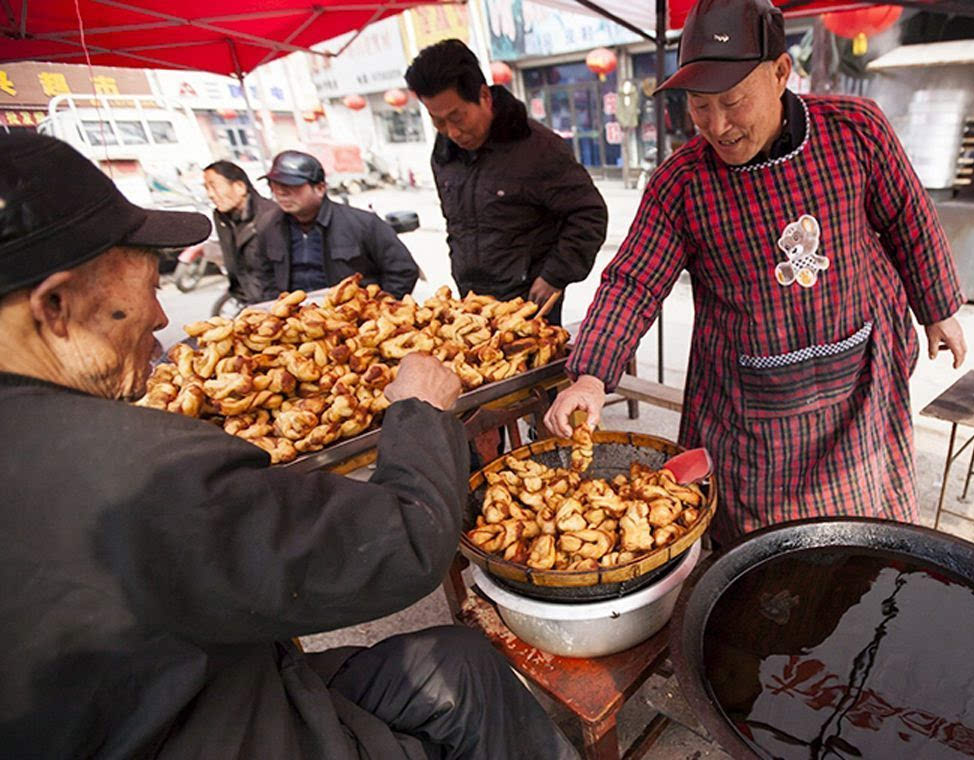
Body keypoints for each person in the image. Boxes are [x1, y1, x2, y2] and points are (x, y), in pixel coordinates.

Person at [0, 132, 577, 759]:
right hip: (237, 734)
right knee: (460, 691)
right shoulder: (136, 472)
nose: (163, 319)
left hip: (200, 692)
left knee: (459, 661)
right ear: (55, 306)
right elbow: (402, 547)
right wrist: (421, 413)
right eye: (146, 286)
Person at [545, 0, 967, 546]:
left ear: (780, 72)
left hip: (860, 381)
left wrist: (938, 309)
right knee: (759, 555)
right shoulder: (683, 183)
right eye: (699, 106)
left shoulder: (856, 130)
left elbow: (908, 215)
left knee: (863, 540)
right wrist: (591, 375)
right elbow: (634, 281)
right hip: (751, 405)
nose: (718, 126)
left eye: (733, 101)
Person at [405, 40, 607, 325]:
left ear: (484, 96)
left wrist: (555, 276)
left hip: (527, 304)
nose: (451, 132)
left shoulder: (538, 148)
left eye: (457, 117)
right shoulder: (444, 154)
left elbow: (589, 214)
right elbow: (457, 225)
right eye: (438, 122)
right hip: (470, 303)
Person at [255, 150, 420, 299]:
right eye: (274, 185)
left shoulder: (363, 224)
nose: (281, 193)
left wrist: (379, 309)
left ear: (320, 188)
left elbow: (403, 270)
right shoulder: (269, 226)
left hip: (351, 321)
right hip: (295, 323)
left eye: (291, 186)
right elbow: (264, 276)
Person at [202, 160, 281, 303]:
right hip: (248, 301)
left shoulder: (271, 216)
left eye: (214, 187)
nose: (211, 195)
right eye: (206, 188)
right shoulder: (222, 218)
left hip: (275, 303)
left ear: (240, 187)